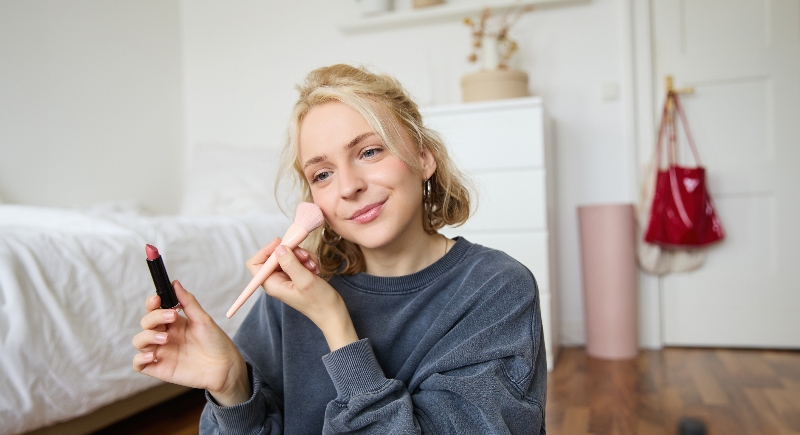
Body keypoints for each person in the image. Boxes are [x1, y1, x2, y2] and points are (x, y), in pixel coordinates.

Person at [132, 64, 547, 434]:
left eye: (369, 151)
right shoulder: (289, 300)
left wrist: (335, 324)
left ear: (424, 158)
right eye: (323, 173)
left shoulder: (496, 289)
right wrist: (231, 385)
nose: (349, 187)